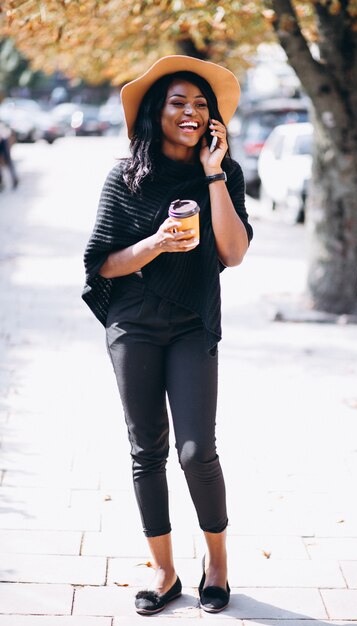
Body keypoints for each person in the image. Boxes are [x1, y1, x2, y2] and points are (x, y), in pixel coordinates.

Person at [82, 55, 253, 615]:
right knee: (146, 448)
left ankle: (218, 563)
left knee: (197, 450)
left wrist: (214, 173)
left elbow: (233, 253)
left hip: (191, 322)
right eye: (179, 102)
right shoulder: (125, 176)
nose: (191, 112)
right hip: (133, 323)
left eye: (201, 104)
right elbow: (102, 264)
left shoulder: (223, 171)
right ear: (157, 112)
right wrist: (156, 243)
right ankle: (163, 570)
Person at [0, 121, 19, 190]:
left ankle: (14, 179)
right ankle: (2, 182)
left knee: (8, 162)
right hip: (3, 142)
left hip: (3, 143)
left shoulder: (3, 125)